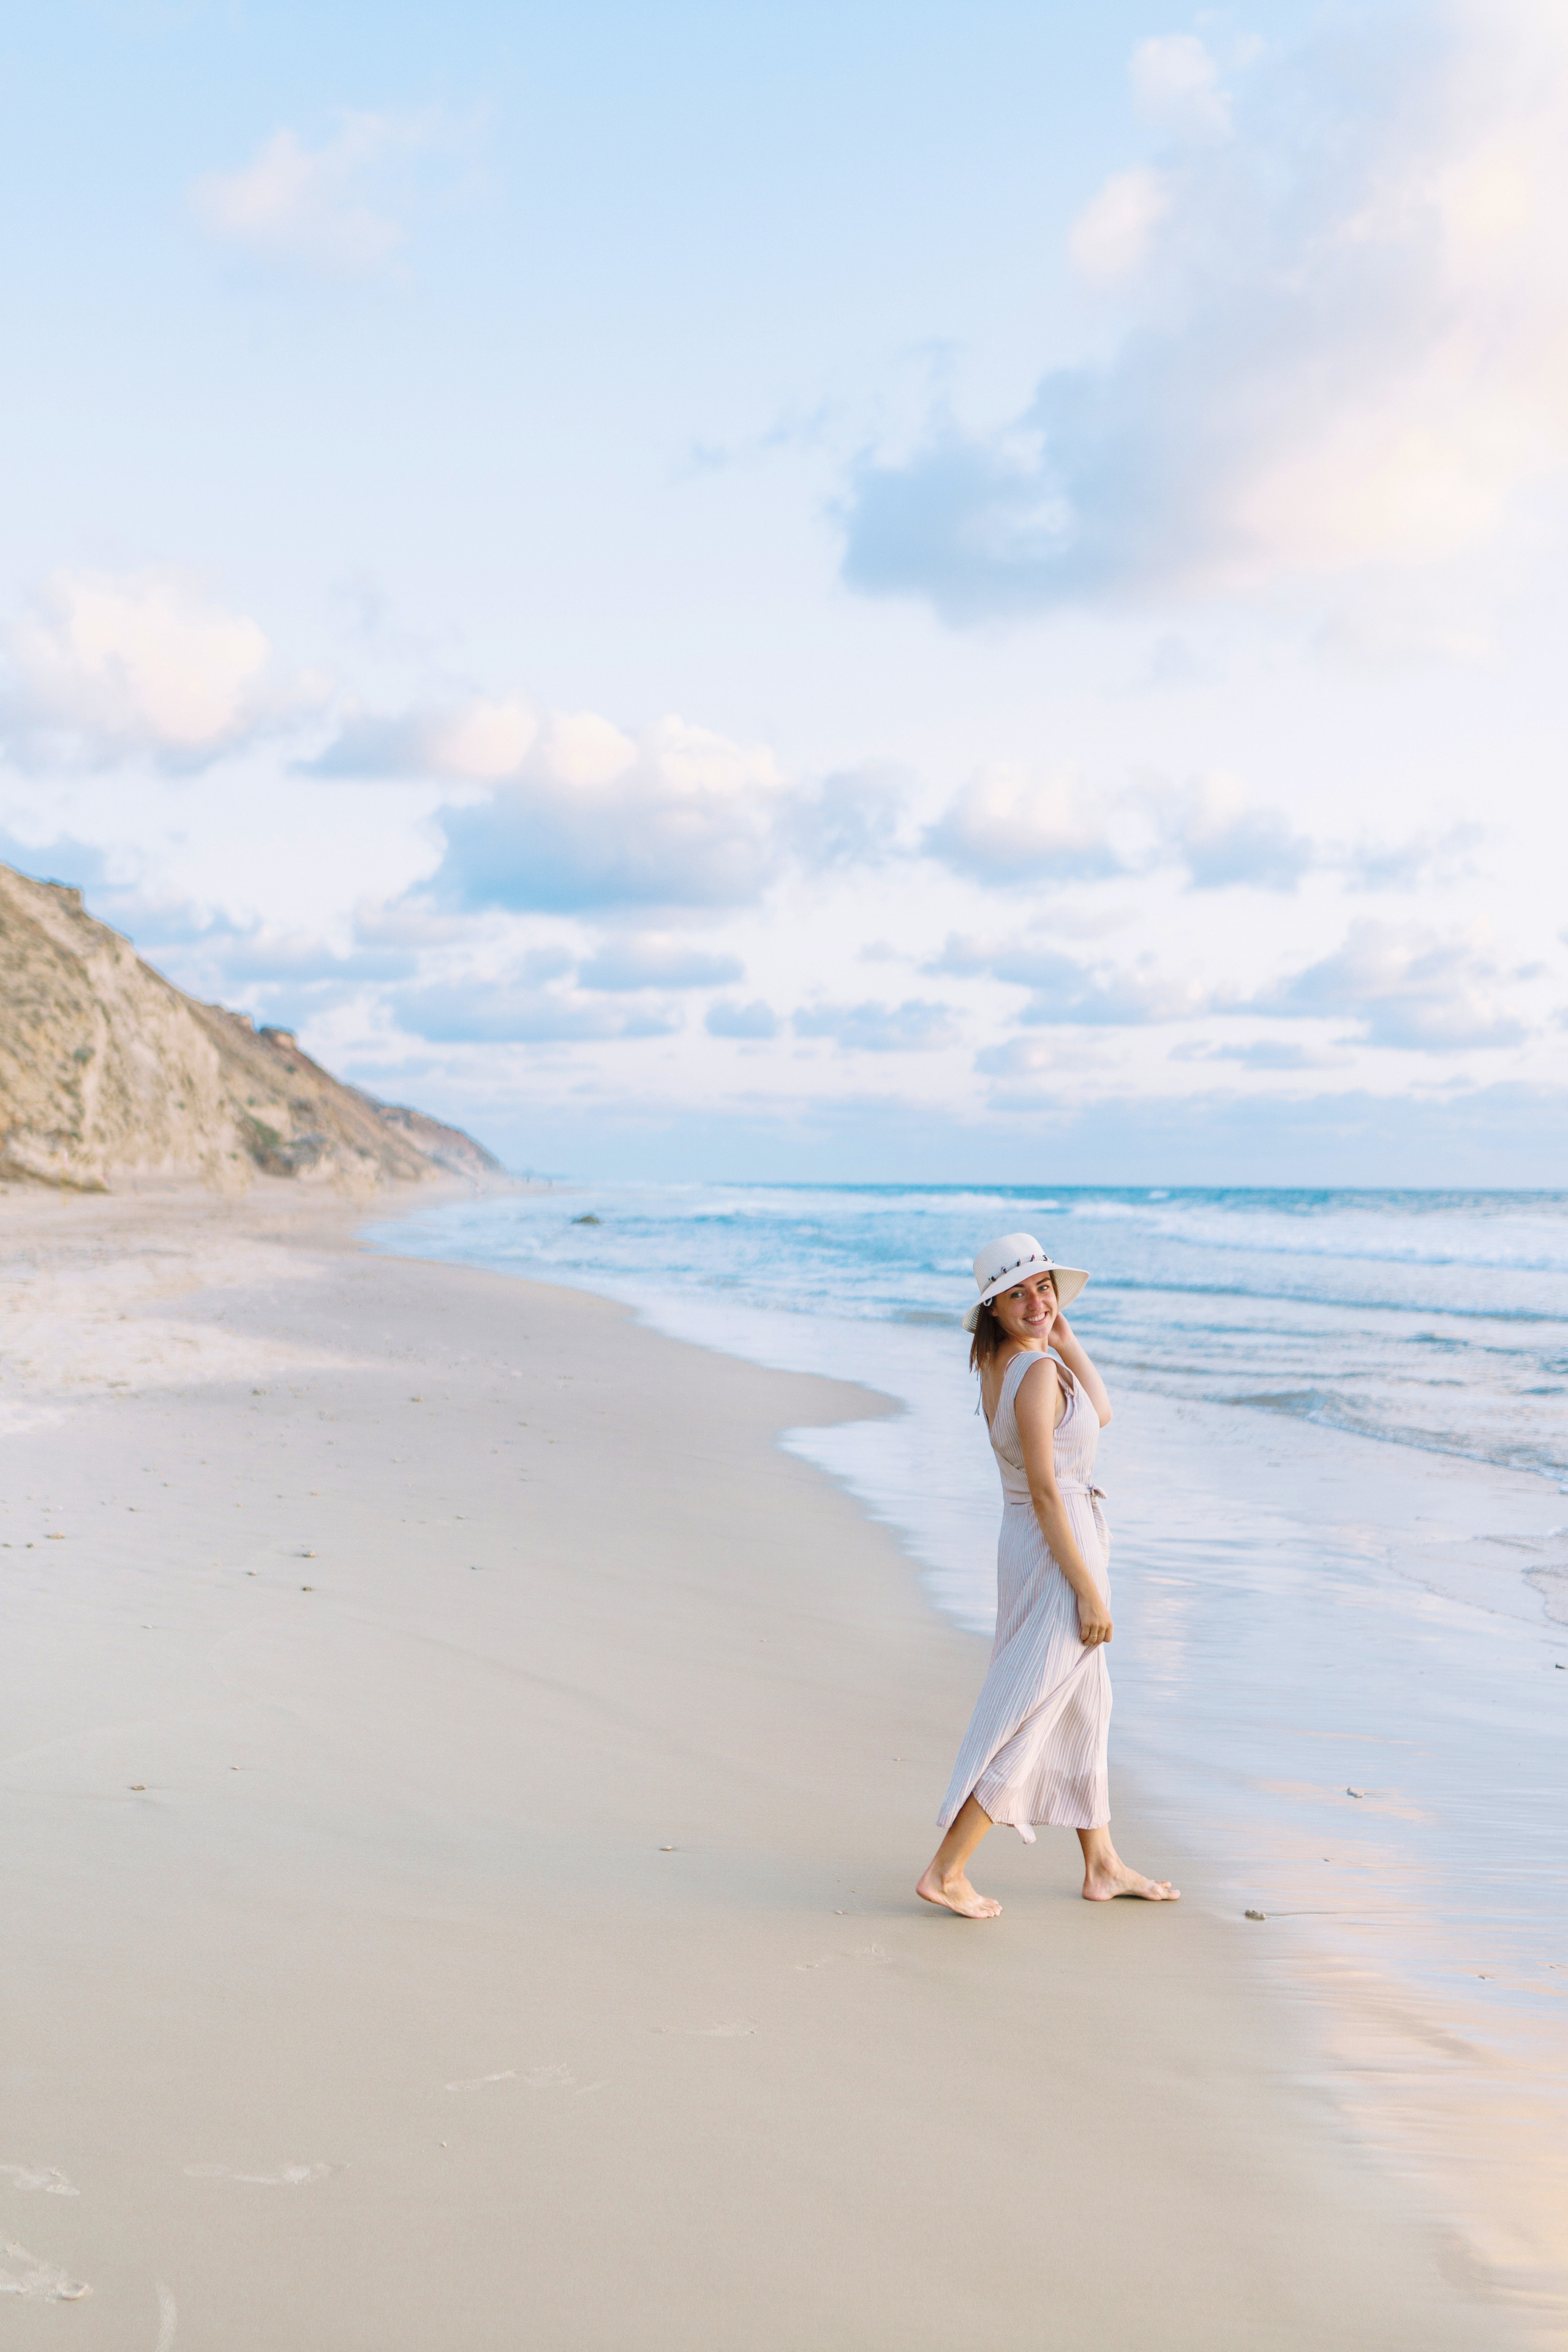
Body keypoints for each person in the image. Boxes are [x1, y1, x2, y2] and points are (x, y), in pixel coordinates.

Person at [916, 1232, 1180, 1919]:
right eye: (1018, 1294)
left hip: (1038, 1542)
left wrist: (1064, 1338)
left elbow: (1100, 1413)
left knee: (1083, 1703)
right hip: (1056, 1546)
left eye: (1043, 1287)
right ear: (994, 1310)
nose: (1036, 1302)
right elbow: (1043, 1489)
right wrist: (1088, 1591)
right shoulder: (1032, 1374)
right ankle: (947, 1870)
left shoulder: (1011, 1364)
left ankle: (1102, 1864)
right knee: (1031, 1709)